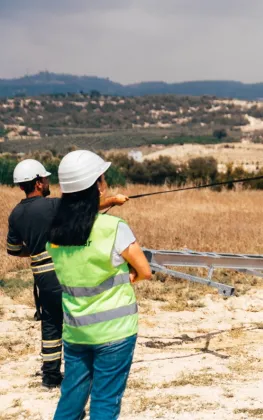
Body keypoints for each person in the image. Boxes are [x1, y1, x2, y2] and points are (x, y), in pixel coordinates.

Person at [45, 150, 152, 420]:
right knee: (105, 402)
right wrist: (131, 277)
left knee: (70, 400)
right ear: (98, 185)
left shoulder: (55, 233)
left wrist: (110, 201)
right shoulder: (114, 228)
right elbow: (145, 271)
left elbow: (77, 216)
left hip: (76, 331)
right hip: (115, 332)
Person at [6, 158, 129, 389]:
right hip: (63, 271)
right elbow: (82, 209)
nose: (48, 181)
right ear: (39, 183)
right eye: (46, 178)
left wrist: (35, 251)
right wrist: (113, 200)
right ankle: (86, 371)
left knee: (51, 323)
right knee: (77, 319)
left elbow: (13, 249)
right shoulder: (51, 205)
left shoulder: (15, 215)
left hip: (41, 277)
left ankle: (50, 376)